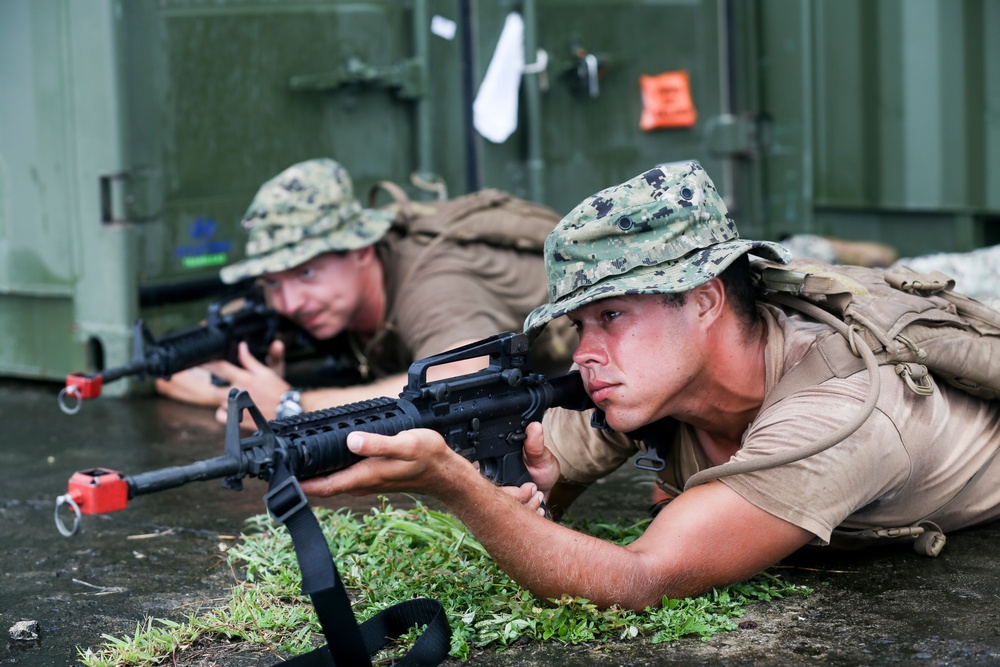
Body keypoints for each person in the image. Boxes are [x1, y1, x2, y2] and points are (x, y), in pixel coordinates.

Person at [297, 161, 1000, 611]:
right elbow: (547, 493)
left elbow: (641, 578)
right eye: (577, 323)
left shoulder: (840, 409)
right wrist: (536, 483)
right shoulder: (648, 380)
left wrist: (452, 481)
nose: (586, 353)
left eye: (611, 316)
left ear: (703, 298)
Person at [156, 158, 574, 422]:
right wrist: (246, 387)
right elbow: (174, 367)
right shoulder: (303, 295)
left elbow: (464, 377)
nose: (288, 303)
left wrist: (290, 403)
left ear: (361, 249)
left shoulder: (433, 283)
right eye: (272, 282)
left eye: (306, 273)